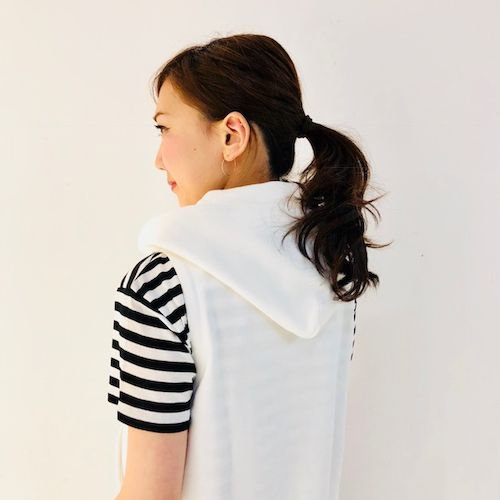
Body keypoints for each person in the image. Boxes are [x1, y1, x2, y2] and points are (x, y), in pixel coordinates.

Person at [107, 33, 389, 500]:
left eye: (164, 129)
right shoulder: (332, 269)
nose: (158, 159)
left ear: (231, 135)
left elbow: (150, 493)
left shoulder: (164, 284)